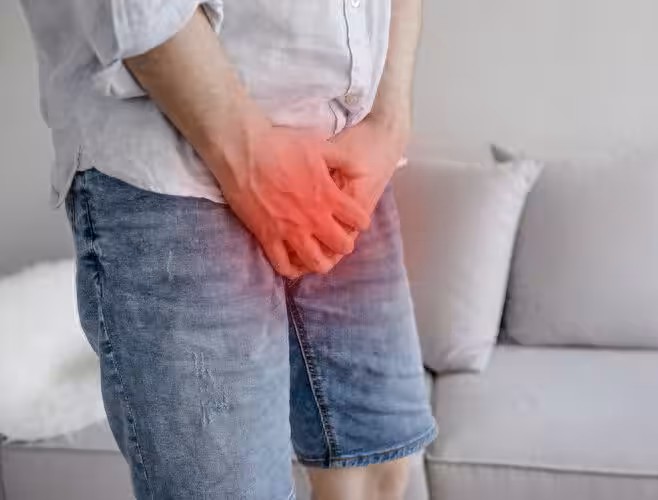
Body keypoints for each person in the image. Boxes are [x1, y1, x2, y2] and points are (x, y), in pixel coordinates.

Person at [20, 0, 435, 499]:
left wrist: (389, 123)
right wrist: (243, 147)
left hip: (346, 154)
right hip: (176, 155)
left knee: (375, 468)